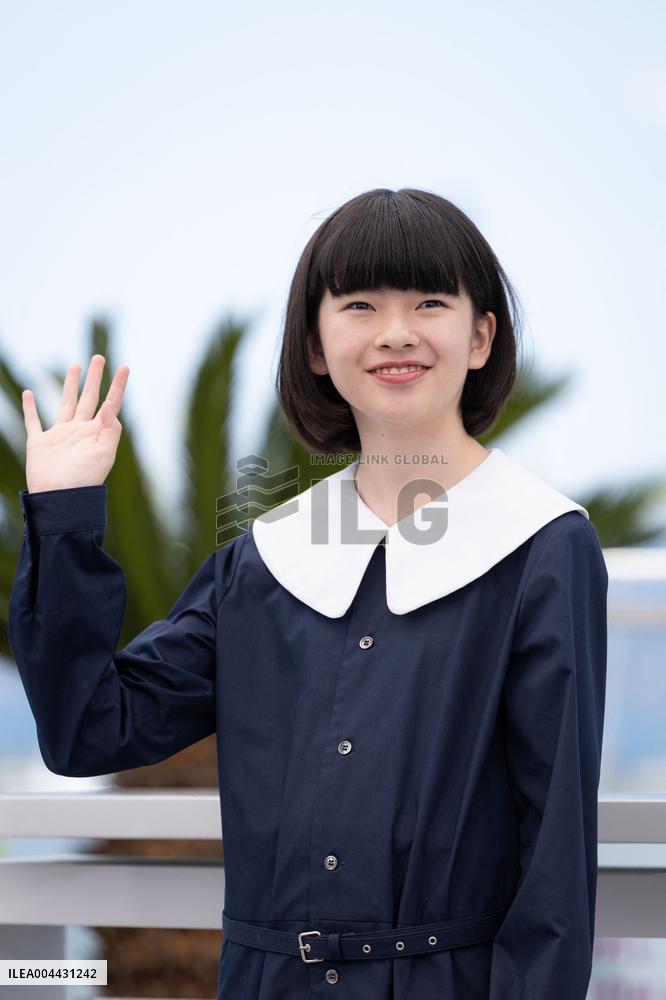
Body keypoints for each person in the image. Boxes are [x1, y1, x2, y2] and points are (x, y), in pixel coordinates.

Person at [8, 187, 609, 999]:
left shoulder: (542, 546)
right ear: (318, 347)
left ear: (479, 336)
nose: (395, 331)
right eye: (359, 304)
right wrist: (67, 513)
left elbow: (555, 864)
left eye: (429, 301)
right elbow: (88, 730)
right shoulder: (263, 561)